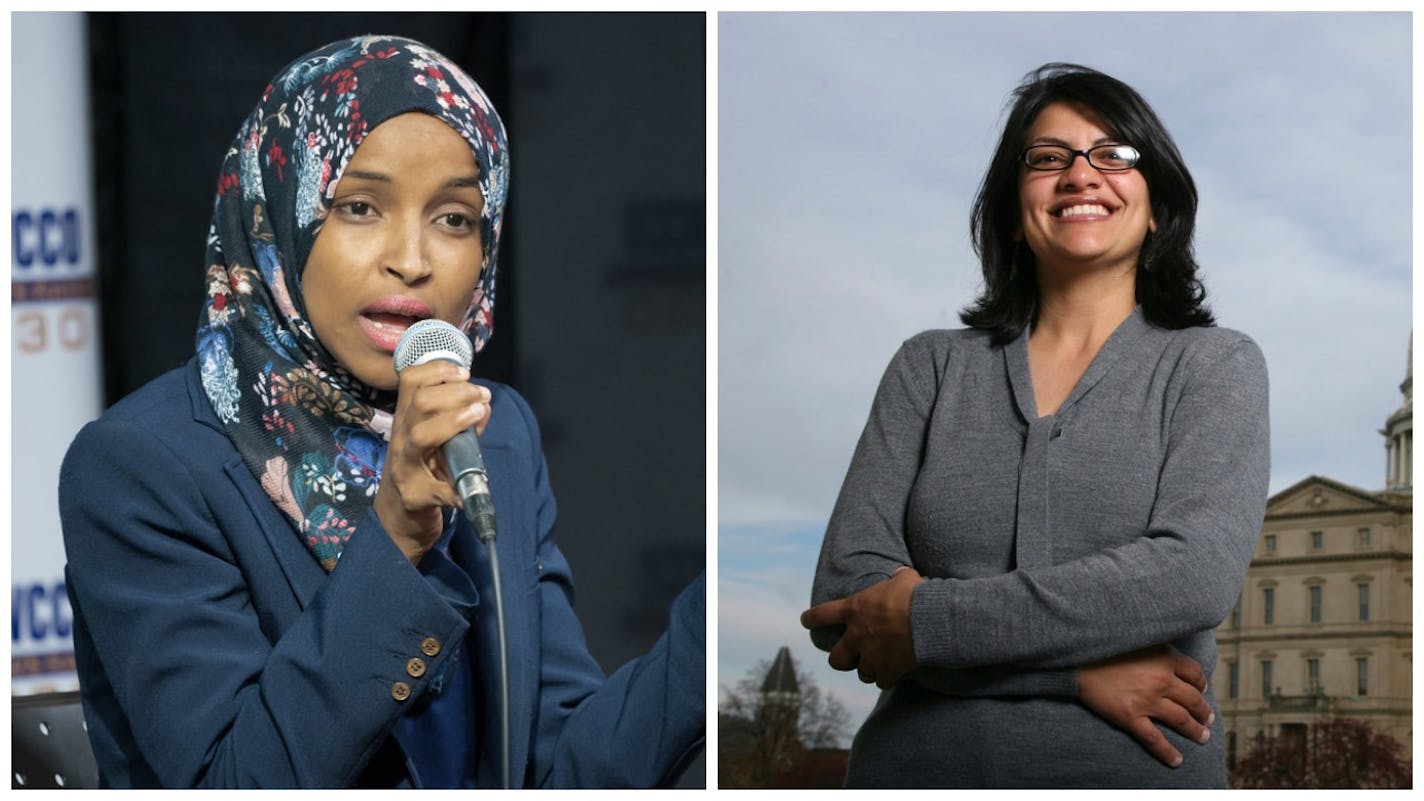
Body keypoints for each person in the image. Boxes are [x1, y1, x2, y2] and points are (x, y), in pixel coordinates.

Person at [59, 35, 704, 789]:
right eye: (360, 206)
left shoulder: (495, 435)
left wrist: (709, 626)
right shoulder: (140, 465)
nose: (413, 257)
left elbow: (560, 764)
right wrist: (395, 532)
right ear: (280, 216)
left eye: (456, 218)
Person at [800, 63, 1268, 788]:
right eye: (1049, 158)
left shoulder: (1214, 365)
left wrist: (926, 624)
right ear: (1015, 210)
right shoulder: (929, 367)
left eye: (1114, 154)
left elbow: (1191, 577)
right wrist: (1077, 673)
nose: (1081, 175)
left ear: (1156, 206)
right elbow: (845, 600)